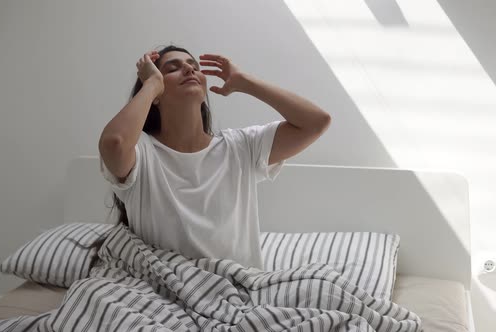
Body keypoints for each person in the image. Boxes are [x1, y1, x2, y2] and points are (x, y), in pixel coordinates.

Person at [98, 44, 331, 269]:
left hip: (236, 293)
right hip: (162, 295)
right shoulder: (142, 152)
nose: (190, 69)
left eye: (194, 66)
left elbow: (316, 122)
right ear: (156, 92)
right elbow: (114, 143)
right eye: (172, 68)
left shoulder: (241, 147)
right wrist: (151, 85)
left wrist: (245, 82)